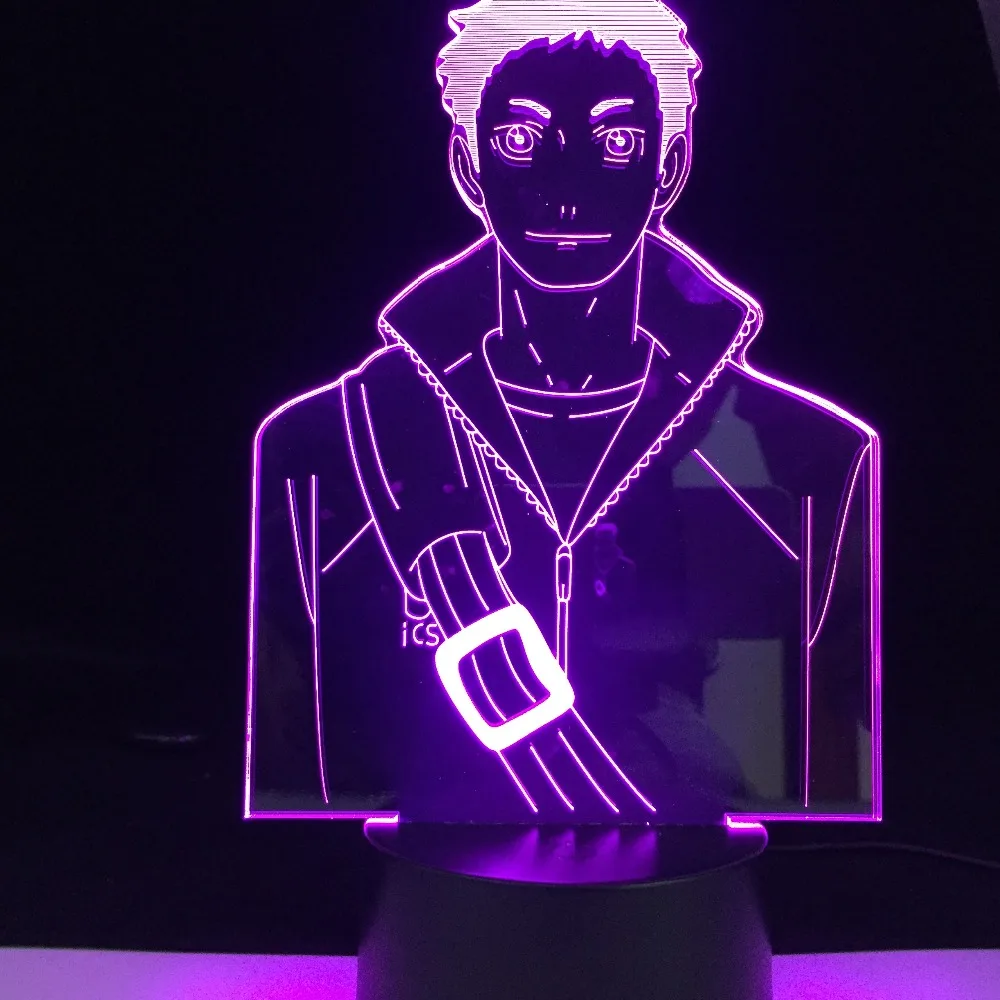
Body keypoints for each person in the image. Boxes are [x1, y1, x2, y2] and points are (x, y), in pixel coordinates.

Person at [246, 0, 881, 824]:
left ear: (670, 167)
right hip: (399, 887)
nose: (567, 193)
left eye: (617, 143)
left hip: (711, 891)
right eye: (520, 139)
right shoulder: (325, 446)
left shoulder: (815, 461)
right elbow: (296, 768)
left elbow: (825, 788)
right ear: (468, 164)